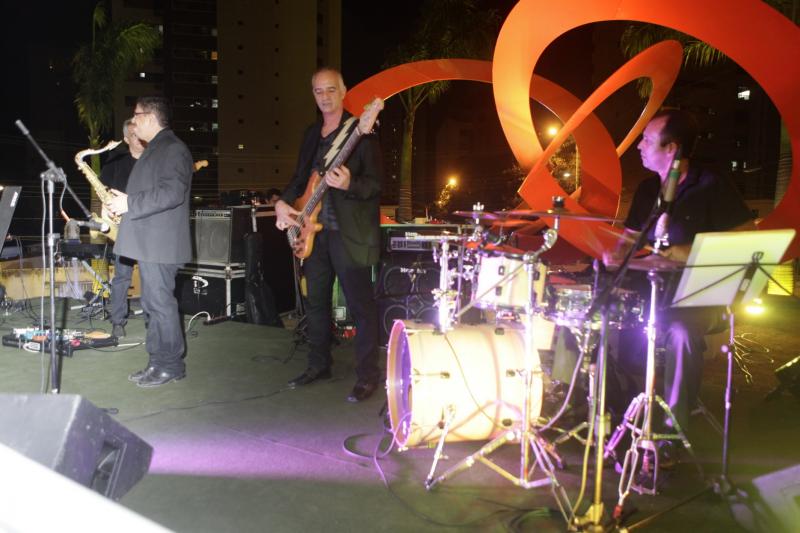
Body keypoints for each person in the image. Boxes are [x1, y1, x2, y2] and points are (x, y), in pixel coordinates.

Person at [604, 108, 756, 448]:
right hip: (650, 292)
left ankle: (671, 433)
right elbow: (630, 238)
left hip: (697, 296)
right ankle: (613, 408)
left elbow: (746, 239)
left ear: (671, 148)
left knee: (681, 333)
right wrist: (615, 254)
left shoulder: (712, 185)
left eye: (647, 140)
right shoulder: (647, 189)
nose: (639, 146)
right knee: (592, 317)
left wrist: (683, 252)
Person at [274, 67, 382, 402]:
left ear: (344, 91)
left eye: (331, 89)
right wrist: (281, 203)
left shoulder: (362, 132)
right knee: (316, 303)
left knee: (361, 307)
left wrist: (350, 183)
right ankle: (319, 364)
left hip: (347, 234)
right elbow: (299, 179)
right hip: (313, 232)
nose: (325, 96)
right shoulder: (311, 134)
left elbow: (376, 185)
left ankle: (368, 375)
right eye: (319, 91)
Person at [105, 96, 194, 388]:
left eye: (136, 116)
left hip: (160, 244)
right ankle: (157, 363)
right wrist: (121, 203)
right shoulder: (156, 148)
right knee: (153, 304)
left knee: (160, 304)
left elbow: (172, 193)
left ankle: (171, 366)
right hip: (150, 243)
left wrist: (129, 203)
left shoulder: (173, 149)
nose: (132, 122)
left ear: (151, 117)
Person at [100, 119, 146, 338]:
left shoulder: (153, 160)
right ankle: (117, 321)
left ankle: (152, 319)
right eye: (135, 136)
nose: (140, 139)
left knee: (151, 276)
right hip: (123, 226)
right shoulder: (116, 160)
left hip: (148, 224)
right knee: (121, 276)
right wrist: (107, 210)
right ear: (126, 139)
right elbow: (104, 191)